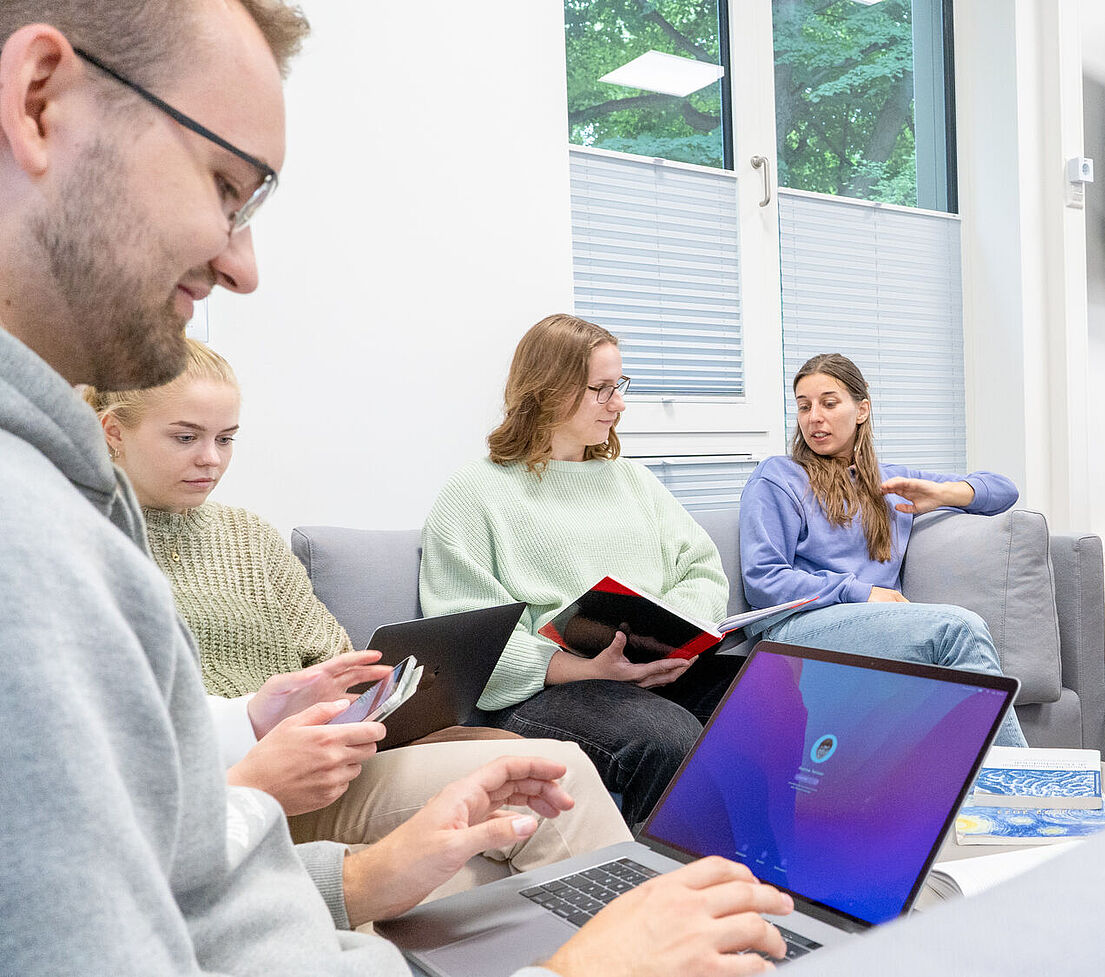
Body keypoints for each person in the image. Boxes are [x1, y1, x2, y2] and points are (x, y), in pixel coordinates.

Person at [0, 4, 793, 975]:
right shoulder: (34, 542)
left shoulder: (71, 500)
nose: (243, 266)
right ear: (38, 101)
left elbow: (188, 877)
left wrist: (354, 867)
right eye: (223, 185)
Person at [85, 337, 632, 895]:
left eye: (226, 439)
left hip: (333, 759)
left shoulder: (247, 534)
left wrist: (370, 697)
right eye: (186, 437)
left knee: (548, 775)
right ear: (113, 432)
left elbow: (334, 655)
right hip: (234, 787)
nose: (212, 458)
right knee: (545, 782)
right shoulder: (83, 546)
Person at [419, 314, 745, 827]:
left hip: (649, 669)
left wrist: (669, 638)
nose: (619, 404)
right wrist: (588, 669)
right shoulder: (475, 493)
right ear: (547, 390)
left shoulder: (633, 481)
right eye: (601, 389)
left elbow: (701, 568)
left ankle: (786, 864)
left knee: (772, 699)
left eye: (620, 386)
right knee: (666, 739)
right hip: (550, 690)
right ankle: (668, 875)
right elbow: (467, 641)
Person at [739, 352, 1027, 748]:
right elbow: (763, 580)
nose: (814, 417)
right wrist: (861, 592)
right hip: (796, 628)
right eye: (804, 406)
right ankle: (1026, 780)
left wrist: (944, 493)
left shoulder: (891, 482)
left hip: (875, 626)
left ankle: (976, 782)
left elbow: (1004, 490)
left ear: (862, 410)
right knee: (958, 630)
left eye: (828, 403)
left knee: (951, 675)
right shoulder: (779, 476)